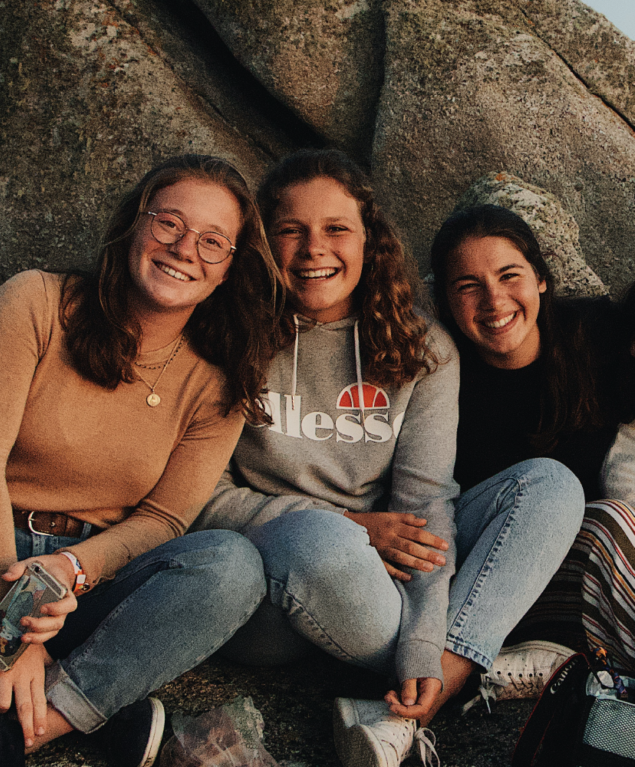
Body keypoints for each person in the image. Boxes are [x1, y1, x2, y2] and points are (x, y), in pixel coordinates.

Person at [0, 155, 279, 767]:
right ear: (134, 225)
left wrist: (70, 570)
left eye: (213, 242)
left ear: (229, 269)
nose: (185, 248)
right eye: (169, 222)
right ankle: (98, 708)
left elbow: (166, 520)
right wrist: (8, 628)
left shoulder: (222, 376)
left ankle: (0, 736)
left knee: (231, 565)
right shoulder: (36, 301)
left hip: (90, 582)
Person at [192, 150, 584, 767]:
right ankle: (472, 662)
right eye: (290, 230)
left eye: (336, 229)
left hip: (390, 579)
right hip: (281, 579)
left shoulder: (420, 346)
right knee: (317, 539)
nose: (313, 249)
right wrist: (355, 527)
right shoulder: (227, 336)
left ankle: (433, 684)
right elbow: (202, 500)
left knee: (551, 486)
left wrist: (426, 643)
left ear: (369, 240)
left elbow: (425, 505)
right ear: (264, 244)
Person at [430, 204, 635, 688]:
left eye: (509, 276)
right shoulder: (440, 371)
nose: (494, 301)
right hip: (484, 572)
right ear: (444, 299)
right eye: (468, 286)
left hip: (586, 580)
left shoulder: (592, 334)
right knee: (609, 518)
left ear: (540, 278)